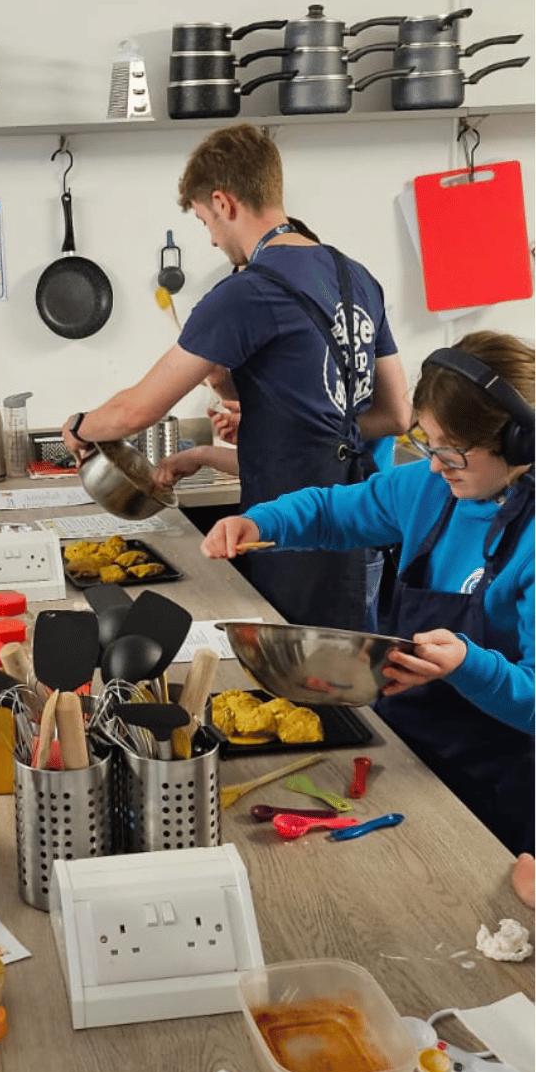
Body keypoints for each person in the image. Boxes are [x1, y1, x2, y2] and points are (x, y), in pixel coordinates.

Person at [62, 124, 410, 632]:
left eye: (205, 220)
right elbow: (397, 414)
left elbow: (138, 410)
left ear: (223, 202)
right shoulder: (354, 274)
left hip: (291, 536)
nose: (211, 237)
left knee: (301, 691)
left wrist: (79, 424)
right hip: (361, 527)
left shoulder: (246, 292)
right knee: (347, 687)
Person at [201, 331, 534, 856]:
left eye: (452, 452)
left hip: (498, 788)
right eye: (427, 442)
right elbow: (333, 512)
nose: (434, 464)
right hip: (407, 755)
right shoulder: (431, 488)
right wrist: (259, 521)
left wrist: (468, 664)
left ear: (518, 443)